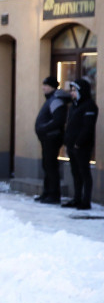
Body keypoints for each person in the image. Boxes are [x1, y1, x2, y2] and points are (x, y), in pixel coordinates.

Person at [63, 78, 98, 209]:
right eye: (71, 90)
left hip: (82, 146)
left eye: (74, 90)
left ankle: (86, 201)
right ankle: (77, 198)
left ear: (81, 91)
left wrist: (78, 143)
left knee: (84, 173)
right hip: (72, 145)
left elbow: (87, 127)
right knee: (75, 173)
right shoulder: (74, 106)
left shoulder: (89, 106)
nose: (71, 93)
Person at [34, 76, 68, 204]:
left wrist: (44, 128)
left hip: (52, 138)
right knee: (47, 166)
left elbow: (58, 120)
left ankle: (53, 194)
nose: (43, 87)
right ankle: (47, 193)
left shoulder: (56, 100)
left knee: (50, 166)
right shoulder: (51, 99)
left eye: (46, 85)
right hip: (47, 138)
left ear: (53, 87)